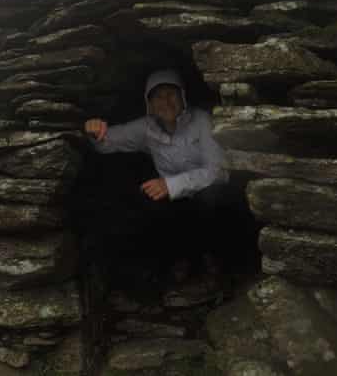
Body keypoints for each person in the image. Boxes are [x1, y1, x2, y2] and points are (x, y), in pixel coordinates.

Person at [83, 69, 229, 281]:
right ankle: (177, 260)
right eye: (158, 96)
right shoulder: (146, 127)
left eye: (171, 94)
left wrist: (170, 185)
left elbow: (220, 171)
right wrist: (93, 129)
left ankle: (213, 259)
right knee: (149, 203)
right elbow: (107, 143)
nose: (166, 102)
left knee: (210, 199)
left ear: (183, 96)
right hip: (177, 203)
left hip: (208, 199)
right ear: (149, 103)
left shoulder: (201, 121)